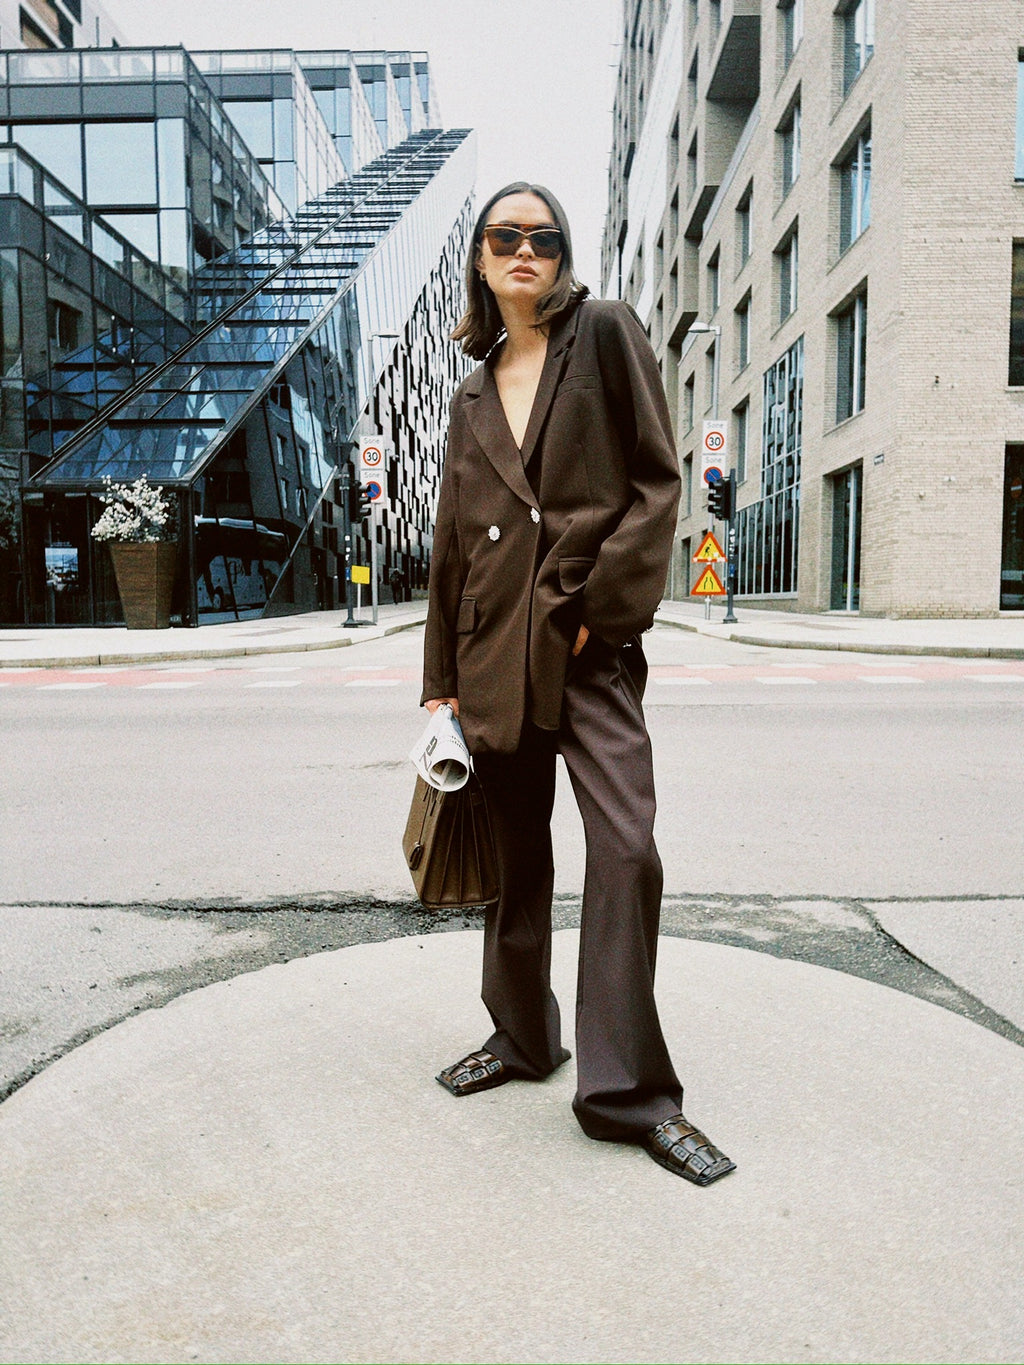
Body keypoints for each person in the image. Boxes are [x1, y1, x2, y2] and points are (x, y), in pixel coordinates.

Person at [420, 182, 734, 1186]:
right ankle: (522, 1037)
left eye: (544, 237)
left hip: (588, 648)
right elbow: (451, 547)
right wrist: (439, 684)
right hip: (490, 659)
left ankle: (626, 1093)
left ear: (561, 256)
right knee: (516, 860)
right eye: (505, 236)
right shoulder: (469, 395)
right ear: (480, 260)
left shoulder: (601, 333)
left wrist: (606, 607)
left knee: (627, 849)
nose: (526, 249)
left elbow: (656, 480)